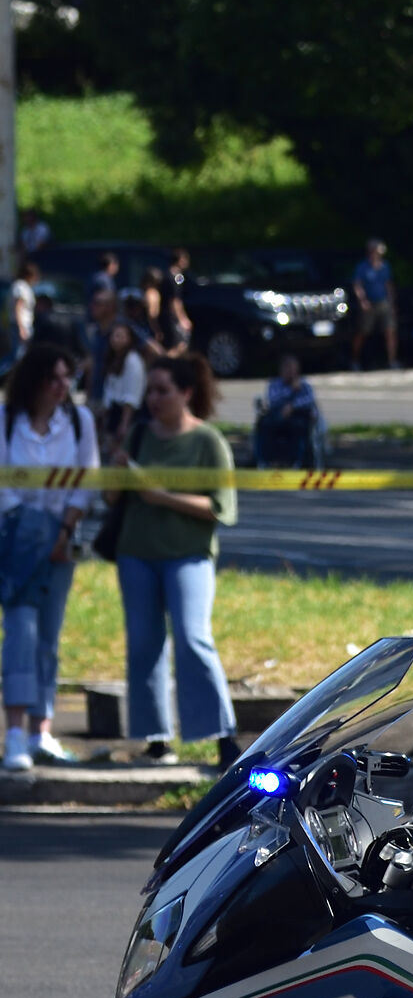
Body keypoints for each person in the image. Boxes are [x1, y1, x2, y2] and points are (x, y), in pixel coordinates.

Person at [114, 353, 239, 769]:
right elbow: (111, 500)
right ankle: (155, 738)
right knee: (144, 644)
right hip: (136, 553)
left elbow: (223, 507)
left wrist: (160, 495)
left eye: (162, 390)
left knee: (192, 638)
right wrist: (115, 475)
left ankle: (223, 736)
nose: (153, 398)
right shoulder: (138, 436)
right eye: (149, 390)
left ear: (186, 393)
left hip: (188, 556)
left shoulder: (208, 441)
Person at [1, 343, 99, 770]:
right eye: (54, 378)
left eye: (68, 378)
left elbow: (88, 478)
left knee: (48, 637)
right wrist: (31, 528)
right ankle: (15, 733)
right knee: (20, 630)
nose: (63, 387)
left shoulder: (79, 421)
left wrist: (61, 531)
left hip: (62, 540)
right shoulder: (7, 422)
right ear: (35, 380)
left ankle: (43, 728)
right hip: (16, 539)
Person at [254, 352, 328, 469]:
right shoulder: (274, 384)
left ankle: (296, 461)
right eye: (287, 367)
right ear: (281, 369)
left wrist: (292, 406)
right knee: (264, 425)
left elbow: (309, 399)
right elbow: (272, 400)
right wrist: (291, 391)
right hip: (277, 416)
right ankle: (264, 461)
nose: (290, 371)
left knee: (298, 427)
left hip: (298, 417)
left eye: (293, 368)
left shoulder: (304, 384)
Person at [98, 322, 147, 452]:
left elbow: (132, 393)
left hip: (126, 414)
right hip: (114, 410)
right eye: (114, 336)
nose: (115, 339)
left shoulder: (133, 361)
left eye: (120, 336)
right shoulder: (114, 358)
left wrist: (124, 423)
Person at [351, 238, 399, 370]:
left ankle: (392, 361)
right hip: (369, 304)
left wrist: (392, 303)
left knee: (390, 331)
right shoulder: (362, 267)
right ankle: (355, 360)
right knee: (362, 332)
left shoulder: (385, 266)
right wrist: (362, 301)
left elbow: (388, 285)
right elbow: (357, 285)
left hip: (383, 302)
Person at [7, 258, 39, 369]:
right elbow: (18, 307)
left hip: (23, 325)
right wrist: (21, 328)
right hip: (20, 325)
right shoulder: (20, 286)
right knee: (17, 356)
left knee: (20, 355)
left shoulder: (23, 286)